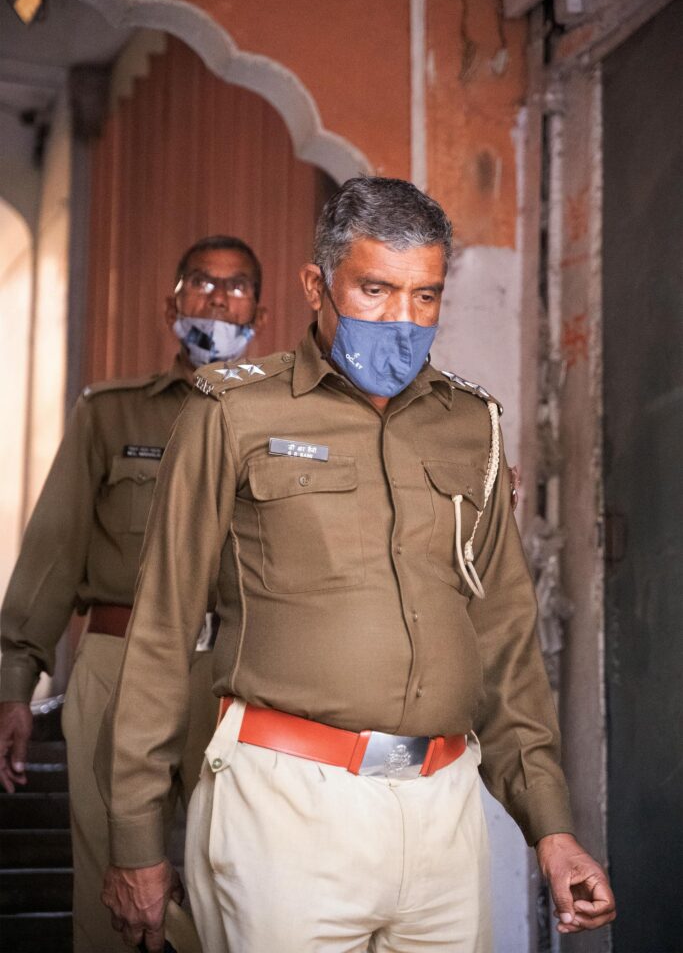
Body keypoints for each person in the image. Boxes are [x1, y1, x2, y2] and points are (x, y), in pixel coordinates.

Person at [97, 178, 616, 953]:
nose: (402, 321)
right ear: (317, 284)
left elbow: (504, 633)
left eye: (424, 297)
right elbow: (164, 628)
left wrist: (551, 827)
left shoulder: (470, 425)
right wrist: (134, 835)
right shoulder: (234, 412)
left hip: (445, 810)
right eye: (375, 290)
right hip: (285, 808)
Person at [0, 235, 266, 952]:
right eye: (201, 284)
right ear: (171, 303)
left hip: (244, 676)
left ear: (260, 311)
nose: (217, 299)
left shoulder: (283, 422)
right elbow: (54, 552)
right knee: (112, 895)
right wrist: (15, 682)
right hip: (119, 663)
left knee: (244, 888)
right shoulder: (110, 415)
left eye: (235, 287)